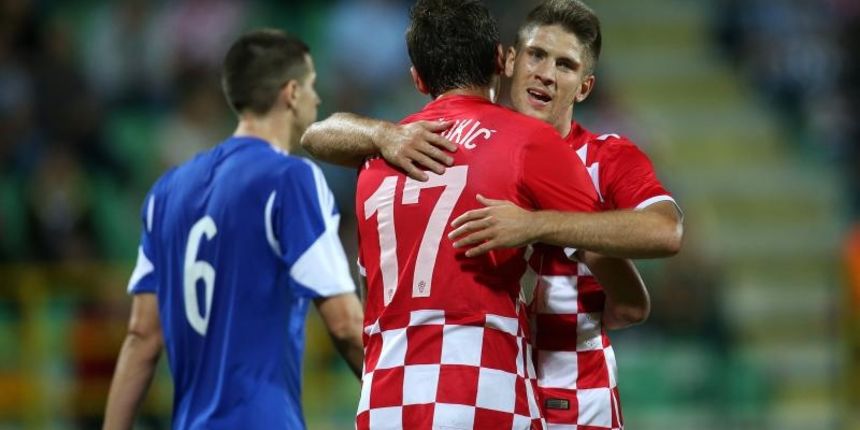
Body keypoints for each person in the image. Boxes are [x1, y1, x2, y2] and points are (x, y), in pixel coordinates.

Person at [302, 1, 683, 429]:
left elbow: (664, 237)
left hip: (570, 393)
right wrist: (380, 132)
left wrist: (535, 225)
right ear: (508, 60)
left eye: (565, 65)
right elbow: (316, 135)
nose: (546, 74)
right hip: (498, 385)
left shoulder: (606, 155)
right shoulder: (451, 143)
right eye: (537, 56)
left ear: (584, 87)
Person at [102, 29, 364, 430]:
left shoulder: (166, 191)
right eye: (312, 85)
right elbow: (345, 325)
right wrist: (404, 396)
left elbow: (141, 337)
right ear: (291, 93)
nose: (318, 98)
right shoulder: (290, 179)